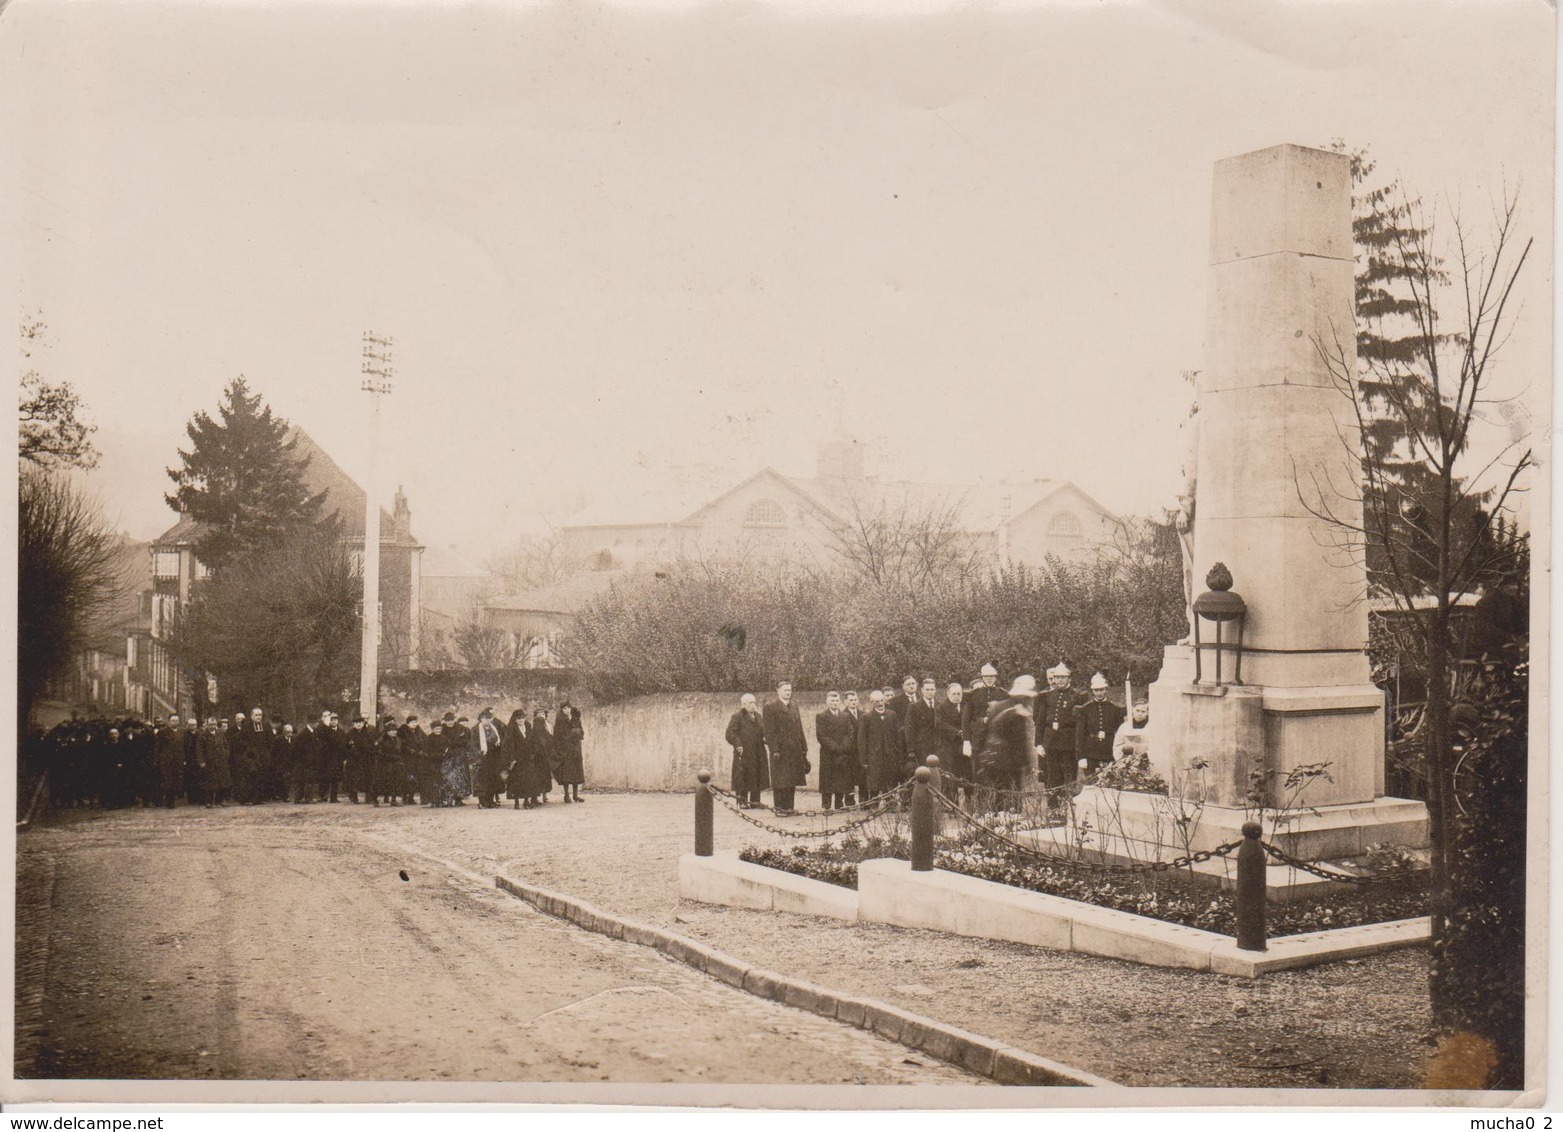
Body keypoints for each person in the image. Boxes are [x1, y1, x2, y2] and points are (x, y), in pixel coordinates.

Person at [975, 675, 1040, 812]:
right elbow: (1019, 742)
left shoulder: (998, 706)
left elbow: (984, 732)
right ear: (1024, 696)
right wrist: (1027, 764)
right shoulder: (1017, 712)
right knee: (1011, 799)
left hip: (991, 760)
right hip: (1010, 763)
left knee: (995, 798)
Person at [761, 680, 808, 815]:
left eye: (789, 690)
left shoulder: (794, 705)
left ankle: (789, 808)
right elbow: (769, 731)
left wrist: (803, 746)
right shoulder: (771, 707)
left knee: (791, 779)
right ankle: (780, 808)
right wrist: (774, 749)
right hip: (780, 750)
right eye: (785, 690)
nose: (788, 692)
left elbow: (799, 728)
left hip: (794, 749)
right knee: (780, 780)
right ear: (778, 691)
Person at [1037, 663, 1080, 791]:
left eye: (1063, 677)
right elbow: (1040, 721)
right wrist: (1038, 743)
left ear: (1069, 679)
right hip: (1050, 742)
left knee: (1069, 774)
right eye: (1057, 677)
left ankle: (1067, 805)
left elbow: (1081, 723)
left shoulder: (1077, 695)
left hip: (1069, 742)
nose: (1060, 680)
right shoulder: (1047, 696)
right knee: (1052, 776)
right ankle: (1053, 807)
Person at [1077, 672, 1127, 777]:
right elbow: (1080, 734)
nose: (1099, 693)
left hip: (1109, 750)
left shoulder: (1115, 709)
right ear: (1092, 691)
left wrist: (1119, 753)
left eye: (1101, 690)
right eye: (1096, 690)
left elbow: (1120, 732)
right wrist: (1081, 756)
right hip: (1091, 751)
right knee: (1090, 782)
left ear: (1106, 690)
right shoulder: (1085, 709)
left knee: (1108, 781)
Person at [724, 693, 768, 808]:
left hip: (758, 751)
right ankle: (742, 801)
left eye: (754, 702)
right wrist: (738, 744)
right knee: (743, 775)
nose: (753, 705)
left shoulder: (758, 717)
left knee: (757, 775)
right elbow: (730, 733)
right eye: (750, 703)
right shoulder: (737, 716)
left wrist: (765, 738)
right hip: (744, 751)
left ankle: (755, 801)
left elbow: (763, 731)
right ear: (743, 704)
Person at [814, 691, 856, 811]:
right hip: (829, 754)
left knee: (841, 778)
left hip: (842, 753)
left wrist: (843, 747)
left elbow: (850, 733)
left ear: (840, 702)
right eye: (832, 701)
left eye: (837, 700)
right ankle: (826, 805)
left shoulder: (845, 716)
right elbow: (821, 736)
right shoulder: (821, 716)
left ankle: (839, 803)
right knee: (827, 779)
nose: (834, 703)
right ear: (827, 702)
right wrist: (835, 748)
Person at [858, 690, 904, 797]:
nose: (880, 703)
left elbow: (897, 735)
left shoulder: (892, 714)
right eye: (876, 701)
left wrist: (896, 750)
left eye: (881, 700)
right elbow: (862, 740)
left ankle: (890, 804)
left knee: (890, 780)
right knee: (874, 781)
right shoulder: (866, 717)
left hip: (890, 754)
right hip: (874, 756)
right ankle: (874, 804)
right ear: (871, 703)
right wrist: (864, 759)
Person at [962, 663, 1003, 763]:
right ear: (982, 678)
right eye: (986, 676)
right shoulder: (972, 695)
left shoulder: (1003, 694)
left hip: (997, 738)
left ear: (996, 677)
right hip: (978, 739)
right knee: (978, 770)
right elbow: (966, 719)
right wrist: (966, 741)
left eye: (992, 676)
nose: (989, 679)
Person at [903, 676, 941, 775]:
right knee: (924, 773)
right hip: (922, 747)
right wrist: (911, 750)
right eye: (927, 689)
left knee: (937, 773)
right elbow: (909, 729)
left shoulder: (940, 705)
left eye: (932, 689)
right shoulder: (914, 707)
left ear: (935, 690)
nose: (930, 692)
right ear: (922, 690)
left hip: (938, 745)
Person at [936, 681, 968, 798]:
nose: (956, 696)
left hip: (965, 746)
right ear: (948, 694)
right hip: (948, 746)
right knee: (949, 777)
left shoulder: (966, 705)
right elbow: (939, 724)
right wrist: (957, 732)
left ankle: (969, 805)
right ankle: (950, 806)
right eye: (954, 694)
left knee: (967, 775)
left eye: (958, 694)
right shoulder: (941, 708)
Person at [553, 702, 586, 804]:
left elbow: (581, 732)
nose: (567, 710)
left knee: (576, 772)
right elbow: (559, 735)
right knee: (567, 773)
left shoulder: (575, 718)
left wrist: (578, 732)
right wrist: (572, 734)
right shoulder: (560, 720)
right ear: (562, 710)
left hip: (575, 749)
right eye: (565, 708)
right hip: (566, 750)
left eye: (568, 708)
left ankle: (575, 795)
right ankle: (566, 795)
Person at [199, 716, 232, 807]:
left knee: (222, 781)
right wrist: (201, 761)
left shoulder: (220, 733)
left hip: (221, 761)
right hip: (209, 762)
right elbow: (199, 750)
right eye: (210, 725)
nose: (212, 726)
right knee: (210, 783)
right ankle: (208, 801)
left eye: (214, 724)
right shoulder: (203, 735)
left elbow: (226, 745)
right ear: (207, 725)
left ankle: (222, 800)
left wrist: (226, 754)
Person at [473, 708, 503, 808]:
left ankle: (490, 800)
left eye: (490, 718)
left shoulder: (493, 728)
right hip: (481, 758)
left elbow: (497, 742)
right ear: (481, 719)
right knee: (482, 780)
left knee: (492, 779)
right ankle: (482, 801)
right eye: (485, 718)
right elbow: (472, 745)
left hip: (493, 757)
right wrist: (477, 757)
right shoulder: (475, 730)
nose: (488, 721)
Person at [503, 709, 531, 809]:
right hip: (517, 759)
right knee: (517, 781)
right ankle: (516, 802)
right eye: (519, 718)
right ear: (515, 719)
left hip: (527, 758)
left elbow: (531, 740)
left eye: (523, 717)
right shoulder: (511, 729)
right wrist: (512, 758)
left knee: (527, 780)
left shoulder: (528, 726)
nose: (521, 720)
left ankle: (526, 801)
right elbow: (509, 745)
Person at [154, 714, 184, 808]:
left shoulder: (181, 732)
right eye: (173, 720)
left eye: (176, 720)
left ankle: (172, 800)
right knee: (167, 780)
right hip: (166, 761)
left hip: (178, 760)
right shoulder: (163, 732)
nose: (175, 722)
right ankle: (166, 801)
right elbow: (157, 747)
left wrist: (183, 759)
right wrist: (156, 760)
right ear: (169, 721)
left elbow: (183, 747)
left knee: (176, 780)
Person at [527, 708, 555, 805]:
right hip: (536, 759)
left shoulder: (545, 731)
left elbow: (550, 742)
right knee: (536, 778)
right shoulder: (532, 732)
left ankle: (541, 796)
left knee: (543, 777)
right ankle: (534, 798)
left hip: (543, 758)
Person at [842, 690, 866, 805]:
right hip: (850, 751)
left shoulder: (863, 714)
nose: (853, 702)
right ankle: (849, 802)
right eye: (850, 700)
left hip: (861, 751)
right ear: (845, 702)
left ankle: (864, 801)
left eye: (855, 700)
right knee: (849, 777)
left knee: (863, 776)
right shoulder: (843, 715)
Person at [1113, 698, 1151, 765]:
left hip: (1146, 761)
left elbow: (1155, 746)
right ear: (1133, 710)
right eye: (1137, 710)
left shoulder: (1151, 727)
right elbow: (1117, 745)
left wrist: (1145, 756)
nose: (1140, 714)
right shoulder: (1125, 726)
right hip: (1127, 762)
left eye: (1143, 711)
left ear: (1147, 712)